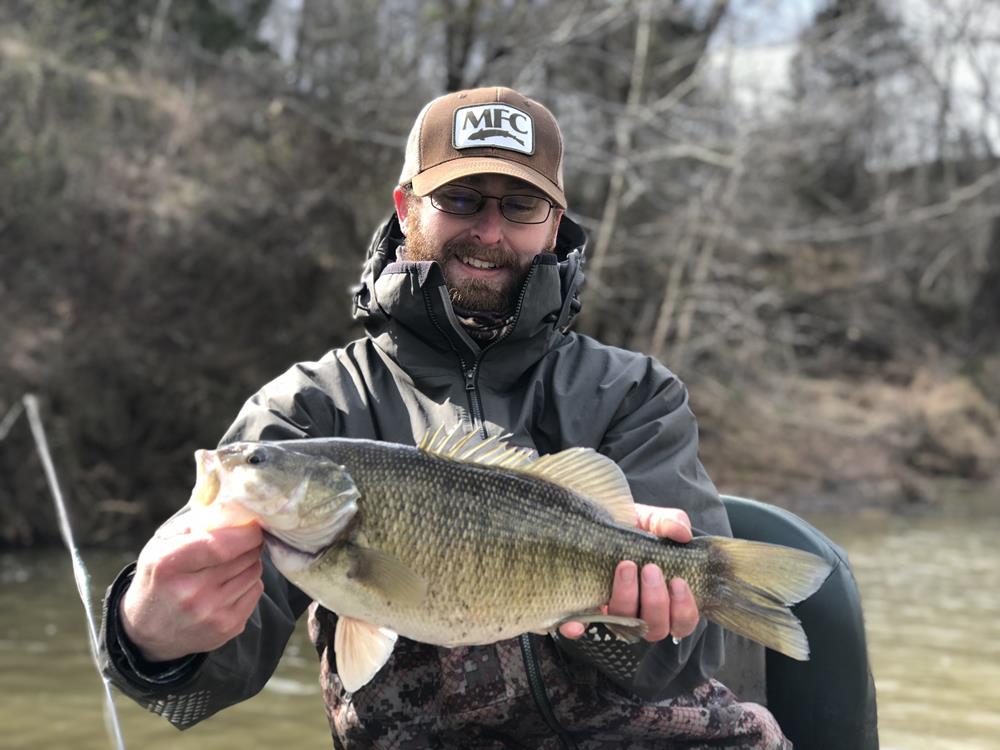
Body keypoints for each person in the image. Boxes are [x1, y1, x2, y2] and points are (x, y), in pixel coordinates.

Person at [99, 86, 789, 749]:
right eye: (458, 199)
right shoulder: (308, 412)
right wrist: (150, 636)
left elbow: (687, 664)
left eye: (520, 205)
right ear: (406, 208)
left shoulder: (636, 393)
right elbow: (207, 683)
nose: (488, 230)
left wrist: (626, 618)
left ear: (554, 225)